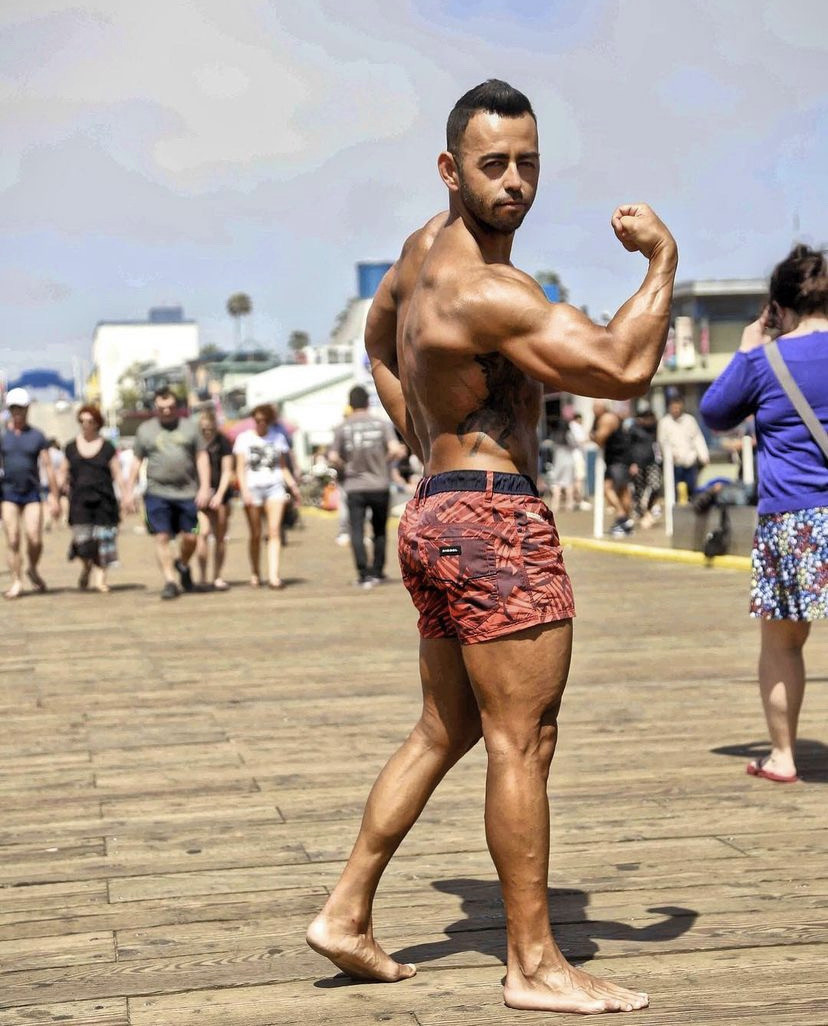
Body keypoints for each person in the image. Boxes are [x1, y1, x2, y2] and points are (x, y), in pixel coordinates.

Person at [307, 79, 677, 1015]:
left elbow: (377, 342)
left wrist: (422, 436)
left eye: (528, 164)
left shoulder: (418, 256)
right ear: (450, 168)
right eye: (493, 164)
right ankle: (534, 964)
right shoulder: (491, 291)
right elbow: (624, 366)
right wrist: (662, 260)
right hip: (494, 522)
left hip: (436, 511)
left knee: (447, 727)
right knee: (524, 739)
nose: (515, 182)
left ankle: (345, 913)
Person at [700, 244, 828, 784]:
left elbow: (715, 413)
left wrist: (750, 344)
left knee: (782, 644)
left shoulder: (765, 362)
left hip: (793, 521)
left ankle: (782, 756)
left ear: (778, 304)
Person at [123, 387, 210, 600]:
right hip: (157, 492)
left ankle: (182, 563)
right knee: (161, 536)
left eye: (170, 407)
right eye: (162, 408)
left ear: (177, 406)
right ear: (155, 407)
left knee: (191, 537)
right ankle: (170, 581)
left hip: (187, 492)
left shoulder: (190, 428)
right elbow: (136, 461)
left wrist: (205, 487)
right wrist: (128, 491)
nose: (167, 411)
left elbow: (201, 457)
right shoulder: (145, 430)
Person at [328, 385, 403, 588]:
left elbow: (333, 456)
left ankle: (363, 573)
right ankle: (377, 571)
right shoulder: (381, 424)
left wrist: (345, 466)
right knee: (379, 530)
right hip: (379, 484)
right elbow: (395, 449)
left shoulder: (342, 427)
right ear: (368, 402)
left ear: (350, 404)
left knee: (357, 530)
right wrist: (384, 462)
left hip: (355, 486)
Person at [0, 387, 60, 598]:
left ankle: (32, 568)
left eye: (21, 408)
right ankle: (16, 581)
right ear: (9, 410)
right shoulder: (3, 436)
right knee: (13, 539)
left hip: (32, 493)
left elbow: (48, 466)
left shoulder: (37, 436)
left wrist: (54, 496)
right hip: (8, 493)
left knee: (34, 538)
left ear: (27, 409)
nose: (18, 412)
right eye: (14, 408)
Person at [234, 403, 300, 589]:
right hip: (252, 488)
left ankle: (274, 576)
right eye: (257, 420)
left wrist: (293, 485)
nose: (260, 423)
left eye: (264, 420)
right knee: (255, 534)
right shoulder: (244, 439)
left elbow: (283, 466)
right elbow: (240, 468)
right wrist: (244, 491)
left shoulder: (278, 438)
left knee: (274, 531)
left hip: (274, 487)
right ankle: (255, 572)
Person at [62, 405, 125, 592]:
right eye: (82, 421)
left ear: (97, 423)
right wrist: (56, 492)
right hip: (79, 501)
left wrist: (127, 495)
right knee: (83, 543)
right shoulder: (70, 447)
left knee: (104, 540)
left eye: (89, 421)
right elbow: (63, 472)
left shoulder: (107, 447)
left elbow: (117, 473)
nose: (85, 424)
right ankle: (86, 567)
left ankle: (100, 579)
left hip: (104, 500)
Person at [196, 408, 234, 591]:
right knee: (202, 533)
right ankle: (203, 576)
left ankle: (217, 576)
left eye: (210, 429)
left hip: (221, 495)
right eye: (203, 429)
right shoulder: (195, 443)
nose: (207, 432)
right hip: (199, 495)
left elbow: (227, 471)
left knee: (220, 537)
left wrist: (219, 494)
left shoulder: (223, 442)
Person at [590, 400, 635, 536]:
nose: (593, 410)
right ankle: (625, 521)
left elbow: (599, 439)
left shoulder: (607, 418)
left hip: (618, 460)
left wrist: (593, 436)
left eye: (595, 407)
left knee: (611, 489)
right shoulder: (604, 418)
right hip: (616, 460)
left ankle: (622, 517)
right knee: (621, 490)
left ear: (602, 407)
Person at [657, 394, 709, 500]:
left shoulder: (690, 420)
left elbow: (698, 438)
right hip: (674, 463)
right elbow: (662, 442)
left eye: (677, 407)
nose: (676, 410)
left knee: (691, 488)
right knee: (676, 491)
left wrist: (703, 455)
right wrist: (669, 455)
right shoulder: (664, 422)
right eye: (673, 407)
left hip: (690, 460)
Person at [627, 400, 661, 528]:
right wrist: (632, 463)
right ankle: (642, 513)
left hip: (652, 462)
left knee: (655, 486)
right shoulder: (633, 429)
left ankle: (648, 508)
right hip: (637, 464)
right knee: (639, 490)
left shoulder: (654, 428)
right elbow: (628, 447)